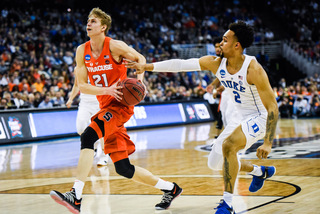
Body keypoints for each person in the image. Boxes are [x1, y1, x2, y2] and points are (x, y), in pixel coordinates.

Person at [126, 21, 279, 214]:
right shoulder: (216, 63)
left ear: (236, 45)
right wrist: (146, 67)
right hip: (239, 117)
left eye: (224, 40)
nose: (219, 44)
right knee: (215, 163)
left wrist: (268, 142)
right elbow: (181, 65)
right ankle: (260, 172)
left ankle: (227, 204)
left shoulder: (253, 69)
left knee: (229, 146)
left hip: (259, 117)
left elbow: (273, 106)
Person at [49, 8, 182, 214]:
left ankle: (76, 195)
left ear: (103, 27)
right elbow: (83, 86)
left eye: (93, 21)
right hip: (105, 105)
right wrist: (106, 90)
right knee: (123, 168)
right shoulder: (80, 51)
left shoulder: (115, 46)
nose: (88, 23)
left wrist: (140, 83)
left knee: (88, 136)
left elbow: (141, 59)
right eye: (88, 20)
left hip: (120, 105)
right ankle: (170, 189)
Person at [66, 74, 109, 166]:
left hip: (100, 103)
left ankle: (104, 156)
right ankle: (93, 143)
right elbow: (77, 85)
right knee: (80, 129)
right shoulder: (79, 68)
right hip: (85, 103)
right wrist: (70, 99)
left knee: (102, 132)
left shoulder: (100, 65)